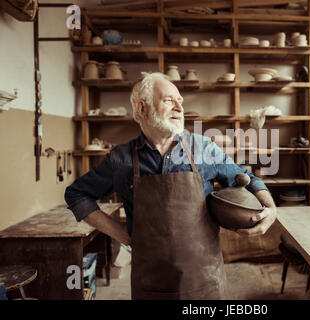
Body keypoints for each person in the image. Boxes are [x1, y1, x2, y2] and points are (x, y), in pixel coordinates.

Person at [64, 72, 277, 300]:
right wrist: (122, 234)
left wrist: (270, 209)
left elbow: (248, 178)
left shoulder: (203, 148)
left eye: (180, 101)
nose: (179, 107)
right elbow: (76, 194)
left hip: (205, 280)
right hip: (151, 283)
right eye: (168, 100)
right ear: (142, 108)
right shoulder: (121, 159)